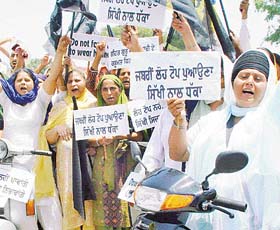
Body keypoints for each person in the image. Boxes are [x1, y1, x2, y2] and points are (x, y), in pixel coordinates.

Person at [167, 49, 278, 229]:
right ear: (232, 81)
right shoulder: (211, 121)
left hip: (250, 220)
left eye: (258, 79)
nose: (249, 81)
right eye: (243, 76)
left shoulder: (271, 127)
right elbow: (179, 153)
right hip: (203, 217)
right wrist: (179, 119)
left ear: (268, 86)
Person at [0, 35, 71, 230]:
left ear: (35, 84)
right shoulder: (6, 100)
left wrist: (59, 52)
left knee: (26, 222)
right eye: (19, 80)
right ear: (12, 84)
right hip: (6, 172)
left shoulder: (39, 103)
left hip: (28, 173)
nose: (23, 83)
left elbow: (53, 75)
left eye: (27, 80)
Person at [42, 68, 97, 230]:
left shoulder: (94, 104)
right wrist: (57, 129)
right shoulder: (60, 106)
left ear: (85, 82)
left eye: (77, 80)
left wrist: (92, 144)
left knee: (89, 205)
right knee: (69, 200)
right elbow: (47, 136)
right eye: (70, 81)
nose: (73, 84)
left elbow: (100, 136)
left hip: (89, 163)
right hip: (66, 167)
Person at [88, 74, 143, 229]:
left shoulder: (130, 110)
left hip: (124, 164)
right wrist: (99, 141)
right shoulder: (95, 112)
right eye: (104, 89)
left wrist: (118, 135)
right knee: (101, 203)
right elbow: (85, 139)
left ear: (120, 90)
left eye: (113, 88)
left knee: (123, 205)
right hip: (101, 165)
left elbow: (138, 136)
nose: (109, 93)